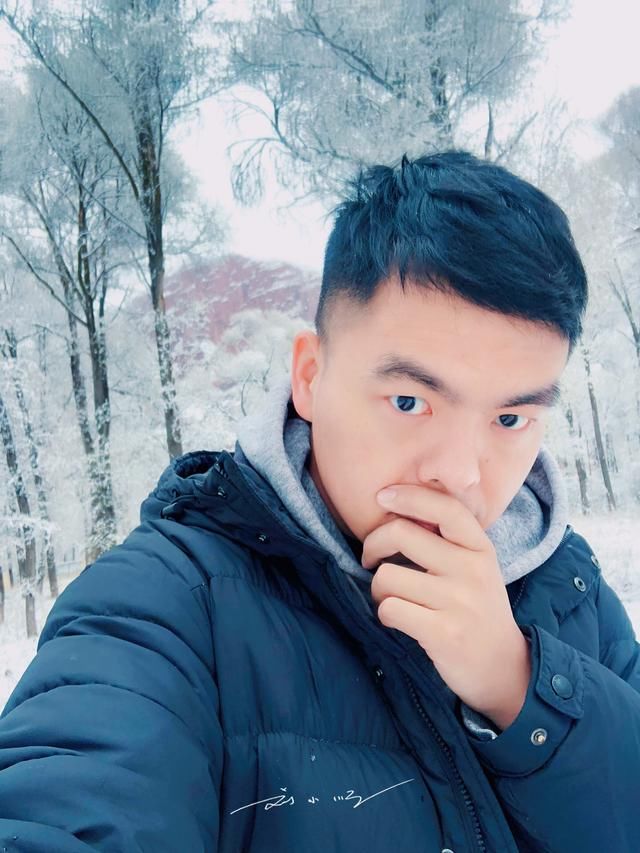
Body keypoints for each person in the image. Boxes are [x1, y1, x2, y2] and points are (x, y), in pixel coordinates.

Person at [0, 150, 638, 853]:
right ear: (310, 376)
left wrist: (521, 688)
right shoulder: (168, 605)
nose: (460, 475)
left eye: (510, 418)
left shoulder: (573, 593)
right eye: (409, 401)